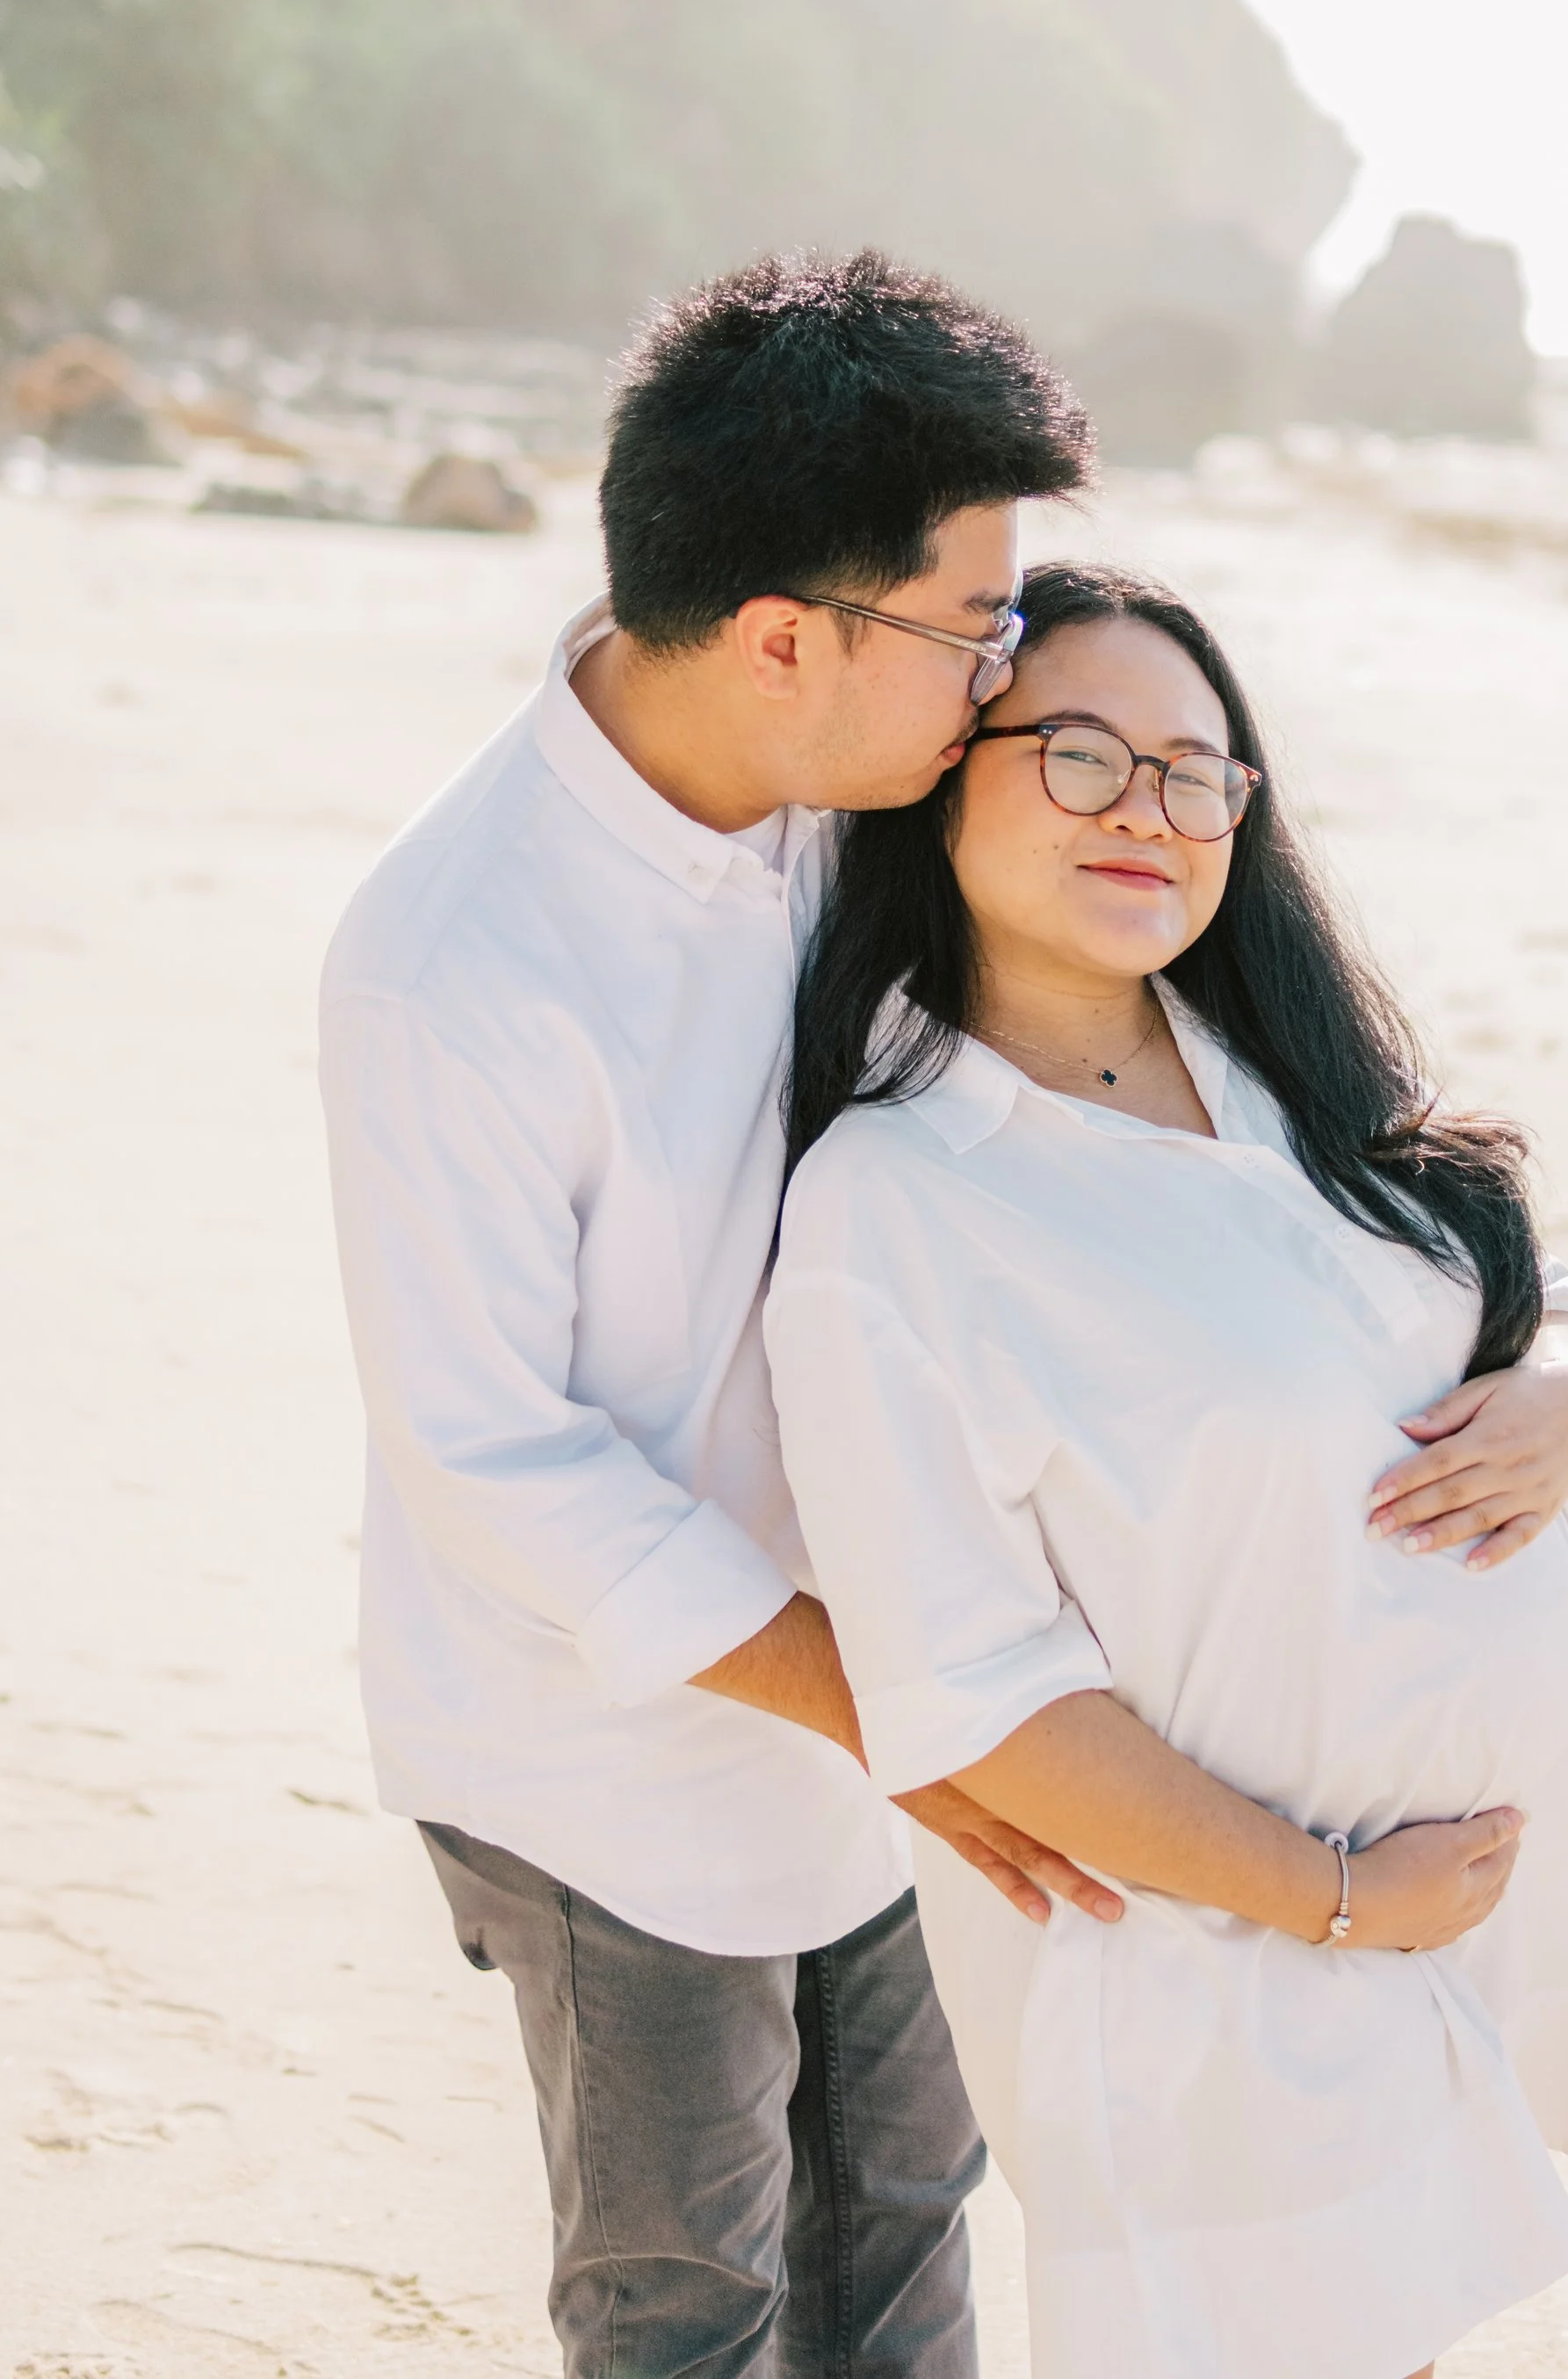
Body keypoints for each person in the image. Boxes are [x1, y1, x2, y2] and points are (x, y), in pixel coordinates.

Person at [319, 254, 1116, 2379]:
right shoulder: (451, 965)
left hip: (901, 1690)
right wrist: (907, 1715)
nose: (1003, 678)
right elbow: (498, 1465)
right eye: (973, 626)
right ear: (781, 638)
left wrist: (1558, 1356)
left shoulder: (857, 815)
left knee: (911, 2242)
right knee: (693, 2302)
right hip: (609, 1760)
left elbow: (1217, 1088)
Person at [766, 560, 1568, 2379]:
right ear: (950, 772)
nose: (1151, 814)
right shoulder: (900, 1205)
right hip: (1219, 1961)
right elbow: (972, 1700)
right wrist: (1332, 1899)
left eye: (1197, 773)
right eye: (1083, 757)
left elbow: (1495, 1277)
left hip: (1435, 1932)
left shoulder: (1268, 1068)